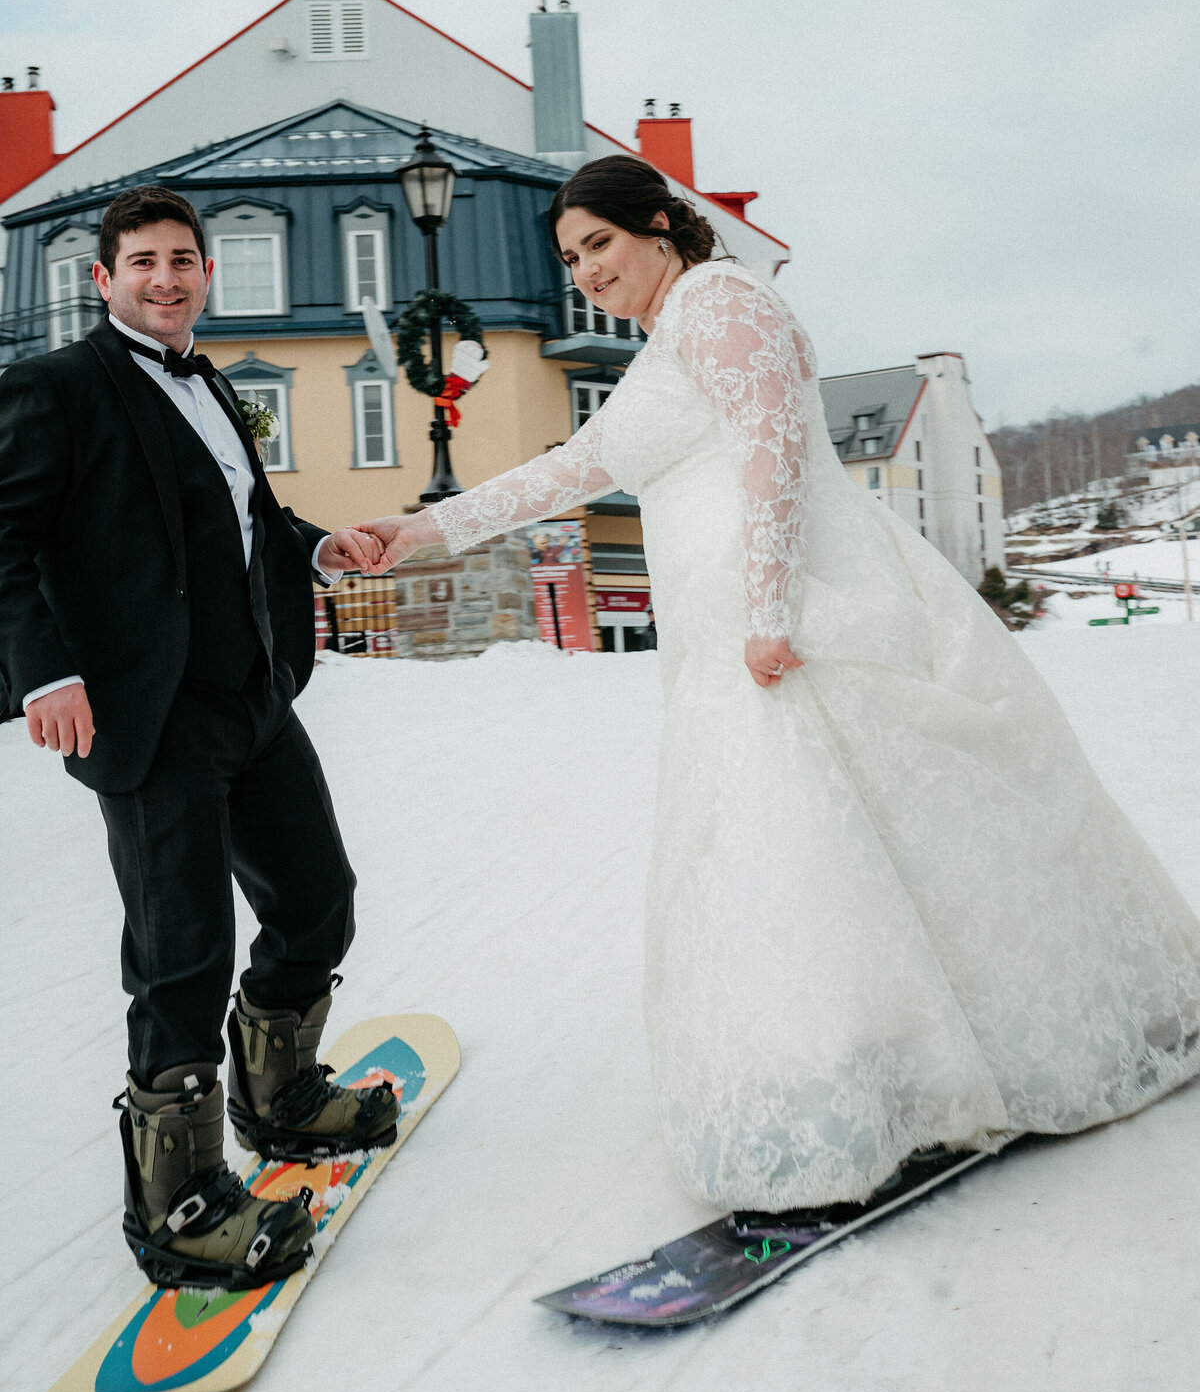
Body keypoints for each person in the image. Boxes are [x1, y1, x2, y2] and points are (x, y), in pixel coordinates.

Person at [355, 155, 1200, 1214]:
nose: (587, 273)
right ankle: (886, 1077)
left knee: (839, 845)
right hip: (733, 640)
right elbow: (570, 469)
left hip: (800, 622)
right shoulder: (669, 341)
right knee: (810, 861)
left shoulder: (721, 301)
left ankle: (969, 1067)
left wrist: (765, 612)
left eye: (600, 244)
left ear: (660, 225)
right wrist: (417, 531)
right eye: (572, 259)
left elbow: (774, 449)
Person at [0, 186, 399, 1287]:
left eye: (184, 260)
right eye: (144, 263)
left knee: (318, 897)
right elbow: (4, 539)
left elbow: (246, 521)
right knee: (181, 956)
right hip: (147, 717)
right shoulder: (55, 388)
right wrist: (47, 671)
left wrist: (321, 551)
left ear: (205, 274)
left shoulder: (211, 378)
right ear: (103, 279)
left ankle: (283, 1097)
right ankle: (178, 1208)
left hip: (252, 699)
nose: (167, 278)